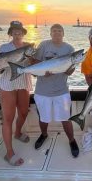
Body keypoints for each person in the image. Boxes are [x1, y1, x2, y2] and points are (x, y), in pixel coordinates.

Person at [32, 24, 79, 158]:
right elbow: (34, 64)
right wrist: (41, 73)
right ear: (50, 33)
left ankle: (72, 140)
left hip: (61, 90)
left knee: (66, 118)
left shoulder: (69, 49)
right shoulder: (43, 45)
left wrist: (70, 69)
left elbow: (70, 72)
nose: (57, 33)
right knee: (43, 118)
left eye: (59, 31)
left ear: (63, 33)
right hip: (42, 90)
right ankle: (44, 135)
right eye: (54, 31)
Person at [0, 21, 33, 166]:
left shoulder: (29, 47)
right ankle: (9, 153)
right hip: (7, 84)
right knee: (8, 118)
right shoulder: (5, 47)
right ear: (10, 33)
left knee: (24, 112)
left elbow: (32, 65)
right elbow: (0, 67)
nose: (17, 33)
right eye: (14, 31)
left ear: (23, 32)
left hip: (23, 83)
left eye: (19, 30)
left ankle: (18, 133)